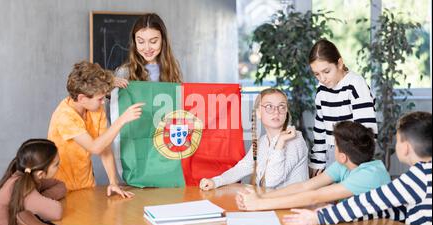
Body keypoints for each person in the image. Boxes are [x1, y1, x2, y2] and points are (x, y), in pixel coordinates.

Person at [283, 111, 432, 225]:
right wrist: (334, 211)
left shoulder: (420, 176)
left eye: (398, 140)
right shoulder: (424, 175)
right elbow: (391, 209)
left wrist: (319, 217)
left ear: (405, 147)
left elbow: (370, 201)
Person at [235, 121, 390, 211]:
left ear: (342, 156)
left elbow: (314, 195)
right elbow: (304, 187)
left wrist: (258, 205)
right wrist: (261, 196)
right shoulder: (344, 165)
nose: (332, 149)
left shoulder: (371, 174)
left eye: (334, 146)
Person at [47, 61, 144, 196]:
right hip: (61, 189)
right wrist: (122, 120)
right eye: (100, 98)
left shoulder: (95, 108)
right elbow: (94, 147)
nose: (103, 102)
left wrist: (113, 182)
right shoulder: (64, 117)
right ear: (82, 98)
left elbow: (104, 146)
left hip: (86, 185)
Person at [110, 13, 183, 178]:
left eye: (153, 41)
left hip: (164, 143)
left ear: (163, 40)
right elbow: (112, 109)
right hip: (136, 143)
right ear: (134, 42)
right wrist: (109, 84)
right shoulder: (124, 72)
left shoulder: (172, 69)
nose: (147, 48)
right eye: (141, 42)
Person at [199, 87, 309, 191]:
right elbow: (242, 168)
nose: (276, 111)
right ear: (258, 113)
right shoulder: (262, 142)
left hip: (291, 208)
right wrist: (215, 181)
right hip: (269, 203)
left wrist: (280, 143)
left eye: (282, 106)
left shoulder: (295, 140)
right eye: (269, 106)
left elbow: (270, 182)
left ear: (286, 113)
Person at [309, 39, 378, 176]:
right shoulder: (321, 91)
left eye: (326, 71)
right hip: (331, 153)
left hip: (354, 156)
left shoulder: (355, 85)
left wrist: (357, 161)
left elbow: (367, 130)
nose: (322, 78)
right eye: (317, 74)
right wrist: (317, 162)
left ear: (339, 63)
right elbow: (320, 131)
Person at [0, 139, 66, 225]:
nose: (59, 167)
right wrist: (40, 200)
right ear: (40, 173)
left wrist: (41, 198)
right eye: (56, 164)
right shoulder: (23, 187)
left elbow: (61, 185)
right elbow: (57, 211)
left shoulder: (25, 177)